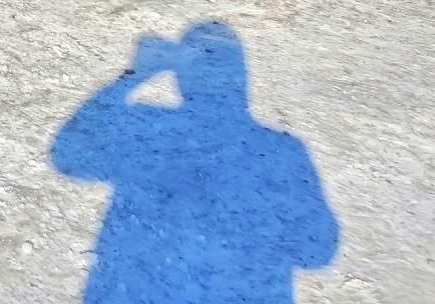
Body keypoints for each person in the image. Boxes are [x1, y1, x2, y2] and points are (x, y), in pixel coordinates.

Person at [52, 22, 339, 304]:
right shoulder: (282, 152)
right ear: (241, 78)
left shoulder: (149, 129)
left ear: (181, 78)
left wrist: (135, 74)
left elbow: (69, 154)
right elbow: (316, 253)